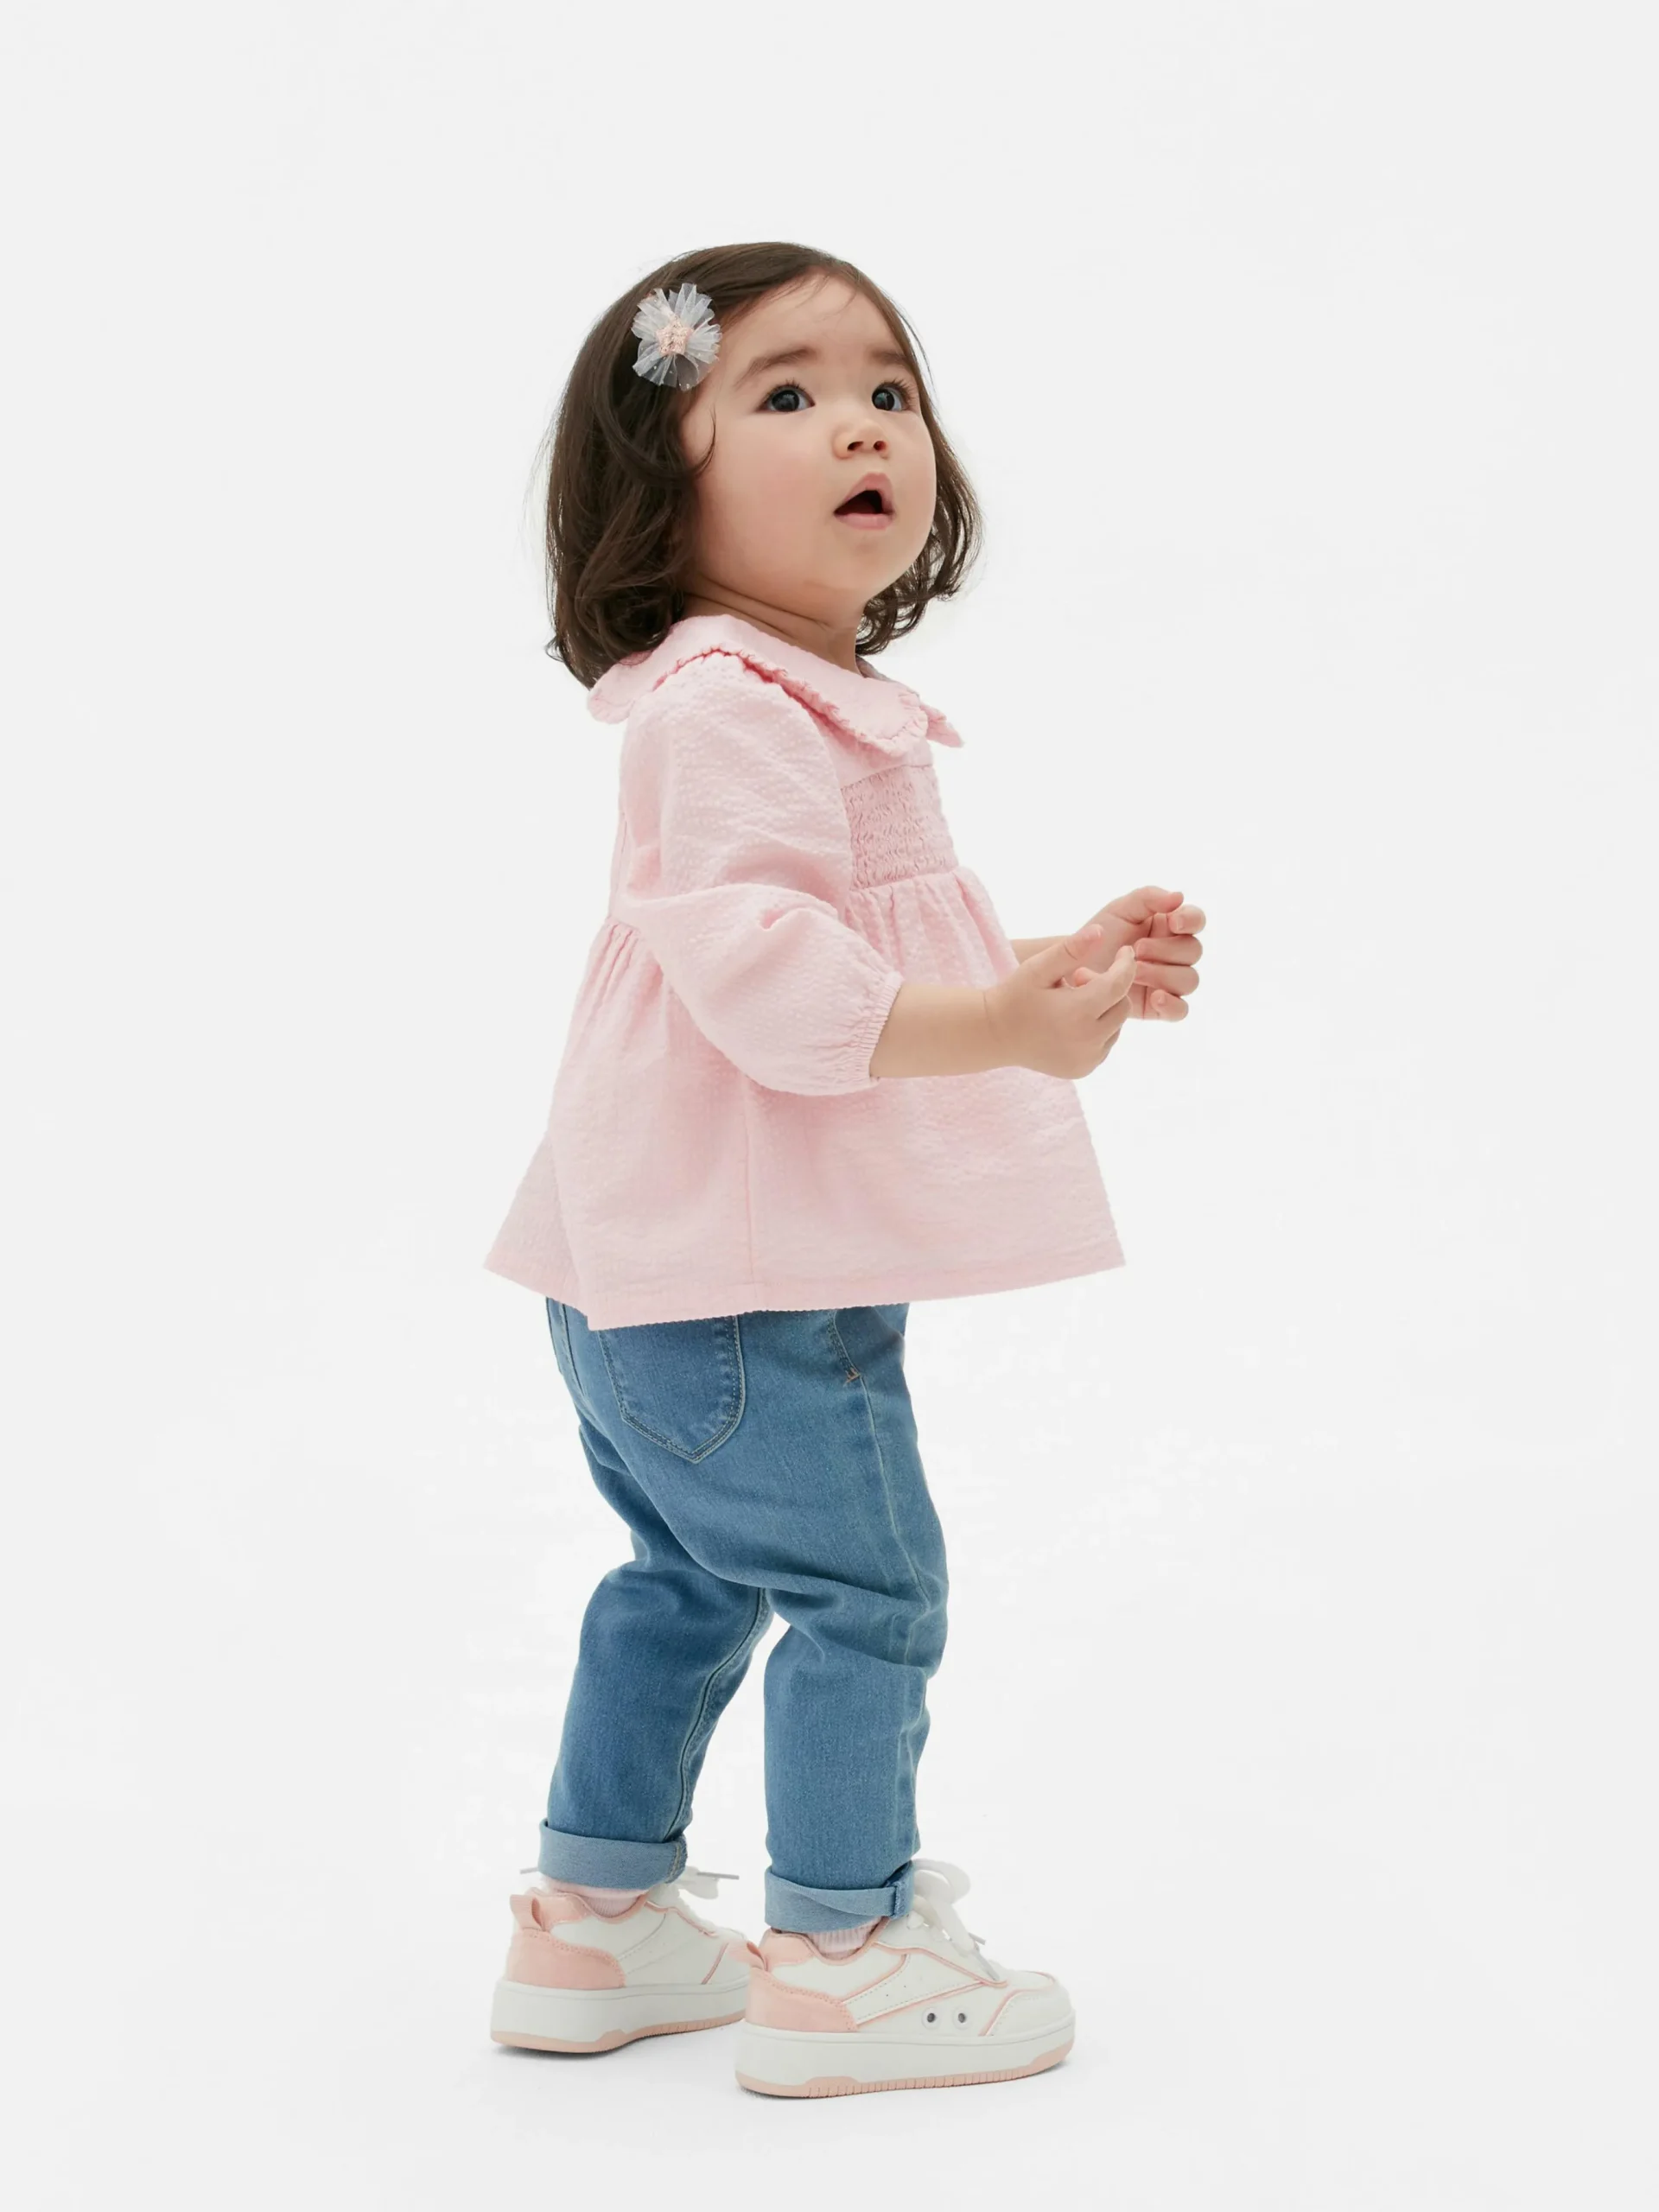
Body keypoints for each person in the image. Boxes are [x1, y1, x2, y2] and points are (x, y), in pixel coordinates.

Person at [480, 244, 1205, 2097]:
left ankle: (596, 1919)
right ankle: (845, 1949)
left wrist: (1036, 980)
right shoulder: (733, 706)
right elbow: (778, 985)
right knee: (868, 1596)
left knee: (685, 1577)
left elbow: (842, 952)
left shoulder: (767, 697)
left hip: (645, 1269)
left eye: (889, 389)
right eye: (787, 394)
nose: (865, 425)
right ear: (663, 480)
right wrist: (1007, 1027)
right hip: (750, 1287)